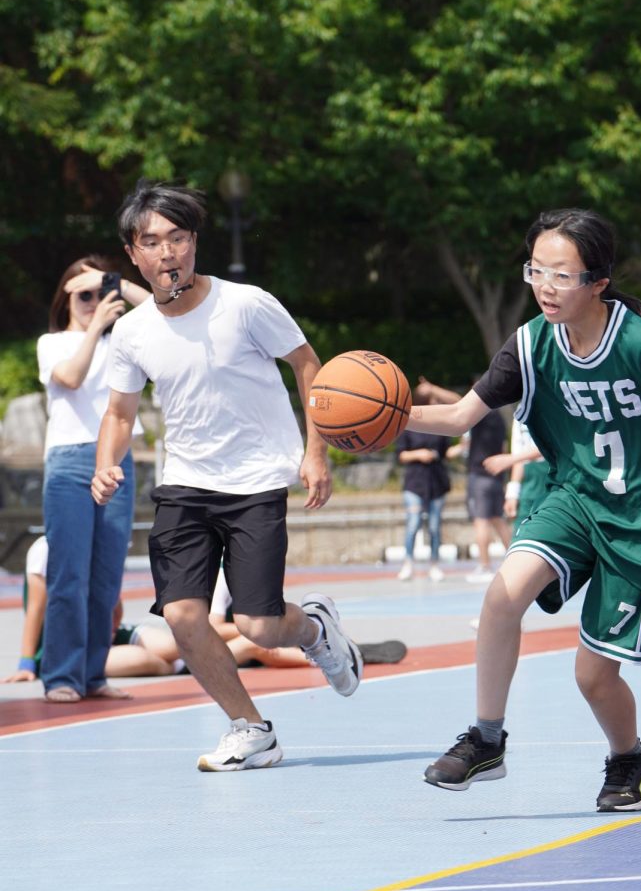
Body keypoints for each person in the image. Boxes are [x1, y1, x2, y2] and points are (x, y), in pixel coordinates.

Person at [406, 207, 641, 811]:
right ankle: (486, 739)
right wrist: (383, 417)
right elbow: (457, 418)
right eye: (536, 271)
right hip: (577, 500)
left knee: (592, 677)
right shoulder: (529, 347)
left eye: (562, 276)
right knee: (503, 595)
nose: (545, 287)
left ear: (598, 283)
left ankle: (628, 758)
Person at [90, 180, 363, 772]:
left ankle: (314, 629)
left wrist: (318, 453)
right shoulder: (134, 332)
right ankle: (251, 728)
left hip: (256, 479)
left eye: (179, 238)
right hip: (185, 483)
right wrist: (104, 463)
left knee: (259, 625)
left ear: (194, 243)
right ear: (134, 255)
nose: (168, 253)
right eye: (153, 242)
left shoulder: (246, 305)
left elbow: (308, 366)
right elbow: (118, 411)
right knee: (184, 615)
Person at [1, 538, 406, 682]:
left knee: (180, 642)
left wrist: (110, 625)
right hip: (63, 651)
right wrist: (25, 661)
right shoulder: (45, 551)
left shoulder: (102, 546)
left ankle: (325, 648)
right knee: (156, 662)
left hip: (110, 638)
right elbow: (36, 612)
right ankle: (323, 648)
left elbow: (113, 607)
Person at [37, 256, 149, 703]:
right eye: (81, 294)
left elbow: (159, 310)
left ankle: (93, 673)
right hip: (69, 462)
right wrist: (91, 327)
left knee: (106, 576)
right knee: (69, 574)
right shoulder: (54, 342)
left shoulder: (124, 340)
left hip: (118, 460)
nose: (92, 302)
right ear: (65, 297)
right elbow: (70, 376)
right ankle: (62, 676)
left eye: (98, 294)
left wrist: (111, 283)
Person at [395, 378, 459, 582]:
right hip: (415, 481)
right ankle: (408, 563)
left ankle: (434, 564)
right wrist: (419, 454)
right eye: (431, 400)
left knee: (434, 525)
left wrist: (460, 450)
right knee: (413, 523)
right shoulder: (406, 425)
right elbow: (401, 455)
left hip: (436, 480)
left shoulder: (439, 425)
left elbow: (445, 451)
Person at [449, 399, 513, 582]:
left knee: (481, 522)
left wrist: (432, 390)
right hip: (496, 476)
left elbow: (455, 404)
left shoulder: (483, 414)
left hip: (480, 475)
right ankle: (513, 562)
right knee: (498, 521)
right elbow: (503, 447)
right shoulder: (499, 418)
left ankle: (485, 566)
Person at [483, 418, 549, 526]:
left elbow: (553, 444)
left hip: (553, 478)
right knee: (520, 531)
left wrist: (512, 459)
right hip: (529, 484)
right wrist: (512, 494)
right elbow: (518, 458)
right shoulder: (519, 414)